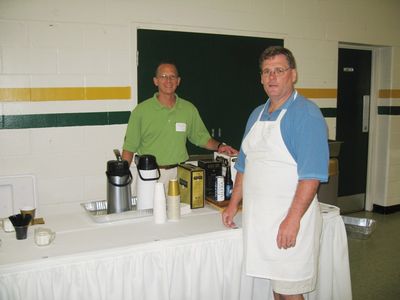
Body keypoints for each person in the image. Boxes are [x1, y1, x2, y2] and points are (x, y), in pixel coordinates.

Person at [222, 46, 329, 299]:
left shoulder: (306, 114)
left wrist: (292, 220)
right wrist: (233, 204)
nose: (272, 77)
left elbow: (311, 176)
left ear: (293, 74)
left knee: (290, 292)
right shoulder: (256, 114)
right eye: (266, 72)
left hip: (290, 219)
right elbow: (244, 166)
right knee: (278, 291)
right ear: (260, 78)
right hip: (261, 222)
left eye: (279, 70)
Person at [122, 61, 238, 190]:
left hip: (180, 174)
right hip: (149, 175)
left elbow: (201, 137)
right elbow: (129, 147)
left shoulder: (188, 109)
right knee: (148, 210)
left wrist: (220, 146)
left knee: (179, 210)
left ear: (178, 81)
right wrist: (121, 176)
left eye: (172, 77)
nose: (169, 80)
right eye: (163, 76)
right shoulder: (141, 111)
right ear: (155, 81)